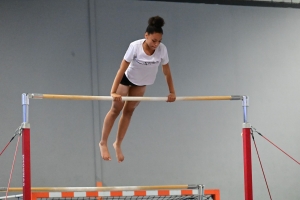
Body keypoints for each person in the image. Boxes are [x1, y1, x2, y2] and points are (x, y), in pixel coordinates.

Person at [99, 16, 176, 163]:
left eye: (159, 41)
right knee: (116, 109)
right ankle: (103, 142)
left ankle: (118, 144)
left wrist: (172, 91)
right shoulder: (135, 46)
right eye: (154, 40)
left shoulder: (162, 50)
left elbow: (167, 72)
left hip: (142, 84)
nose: (156, 44)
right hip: (126, 80)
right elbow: (122, 69)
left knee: (129, 112)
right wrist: (113, 91)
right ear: (146, 35)